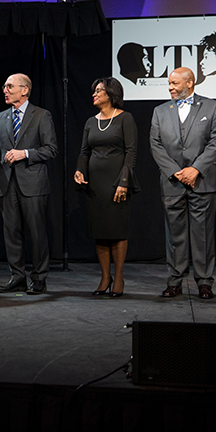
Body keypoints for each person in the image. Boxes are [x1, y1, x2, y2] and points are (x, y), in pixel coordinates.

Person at [0, 74, 57, 294]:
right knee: (11, 234)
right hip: (6, 184)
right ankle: (17, 277)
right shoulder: (0, 118)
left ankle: (39, 278)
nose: (5, 90)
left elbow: (51, 149)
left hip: (32, 184)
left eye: (9, 86)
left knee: (36, 233)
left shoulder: (41, 115)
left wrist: (25, 153)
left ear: (24, 90)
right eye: (4, 87)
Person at [150, 66, 216, 299]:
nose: (170, 87)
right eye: (169, 83)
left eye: (174, 83)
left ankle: (204, 282)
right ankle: (175, 281)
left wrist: (195, 169)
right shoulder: (160, 111)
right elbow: (155, 144)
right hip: (172, 182)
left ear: (189, 83)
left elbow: (215, 141)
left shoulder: (212, 107)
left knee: (203, 235)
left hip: (202, 181)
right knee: (175, 234)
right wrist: (175, 172)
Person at [74, 77, 138, 297]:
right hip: (95, 185)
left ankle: (118, 277)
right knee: (100, 232)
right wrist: (80, 170)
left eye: (99, 91)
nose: (94, 94)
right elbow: (84, 152)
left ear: (111, 94)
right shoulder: (90, 122)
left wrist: (124, 181)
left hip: (116, 182)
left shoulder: (125, 118)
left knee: (117, 231)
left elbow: (131, 152)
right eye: (94, 91)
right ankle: (105, 277)